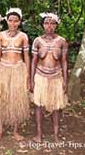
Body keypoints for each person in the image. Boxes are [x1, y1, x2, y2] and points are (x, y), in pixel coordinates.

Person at [0, 8, 30, 141]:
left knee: (16, 99)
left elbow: (26, 57)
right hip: (3, 68)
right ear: (6, 21)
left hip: (18, 69)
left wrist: (28, 76)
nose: (13, 23)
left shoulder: (23, 36)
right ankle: (0, 129)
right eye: (10, 20)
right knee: (2, 98)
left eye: (16, 21)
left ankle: (15, 130)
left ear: (19, 22)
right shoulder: (0, 35)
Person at [30, 12, 68, 143]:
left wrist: (65, 81)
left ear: (56, 25)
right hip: (40, 77)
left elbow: (64, 61)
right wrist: (31, 81)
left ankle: (56, 135)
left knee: (56, 107)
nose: (49, 26)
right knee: (38, 106)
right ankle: (39, 135)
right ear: (42, 25)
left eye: (52, 23)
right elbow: (33, 61)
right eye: (46, 23)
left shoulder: (62, 41)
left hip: (56, 77)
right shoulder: (37, 41)